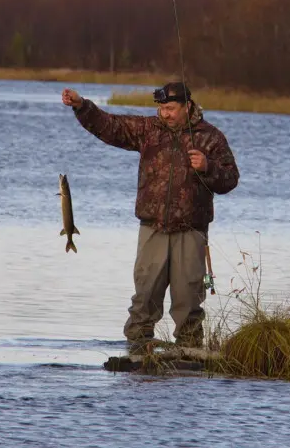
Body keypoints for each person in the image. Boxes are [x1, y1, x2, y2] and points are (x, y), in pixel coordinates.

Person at [61, 82, 239, 350]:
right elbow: (110, 126)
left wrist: (208, 166)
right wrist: (81, 105)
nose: (164, 114)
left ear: (187, 106)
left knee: (189, 299)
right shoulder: (149, 130)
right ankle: (137, 349)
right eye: (162, 108)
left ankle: (189, 353)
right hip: (152, 228)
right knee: (144, 296)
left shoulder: (210, 138)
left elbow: (230, 179)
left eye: (170, 109)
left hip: (191, 230)